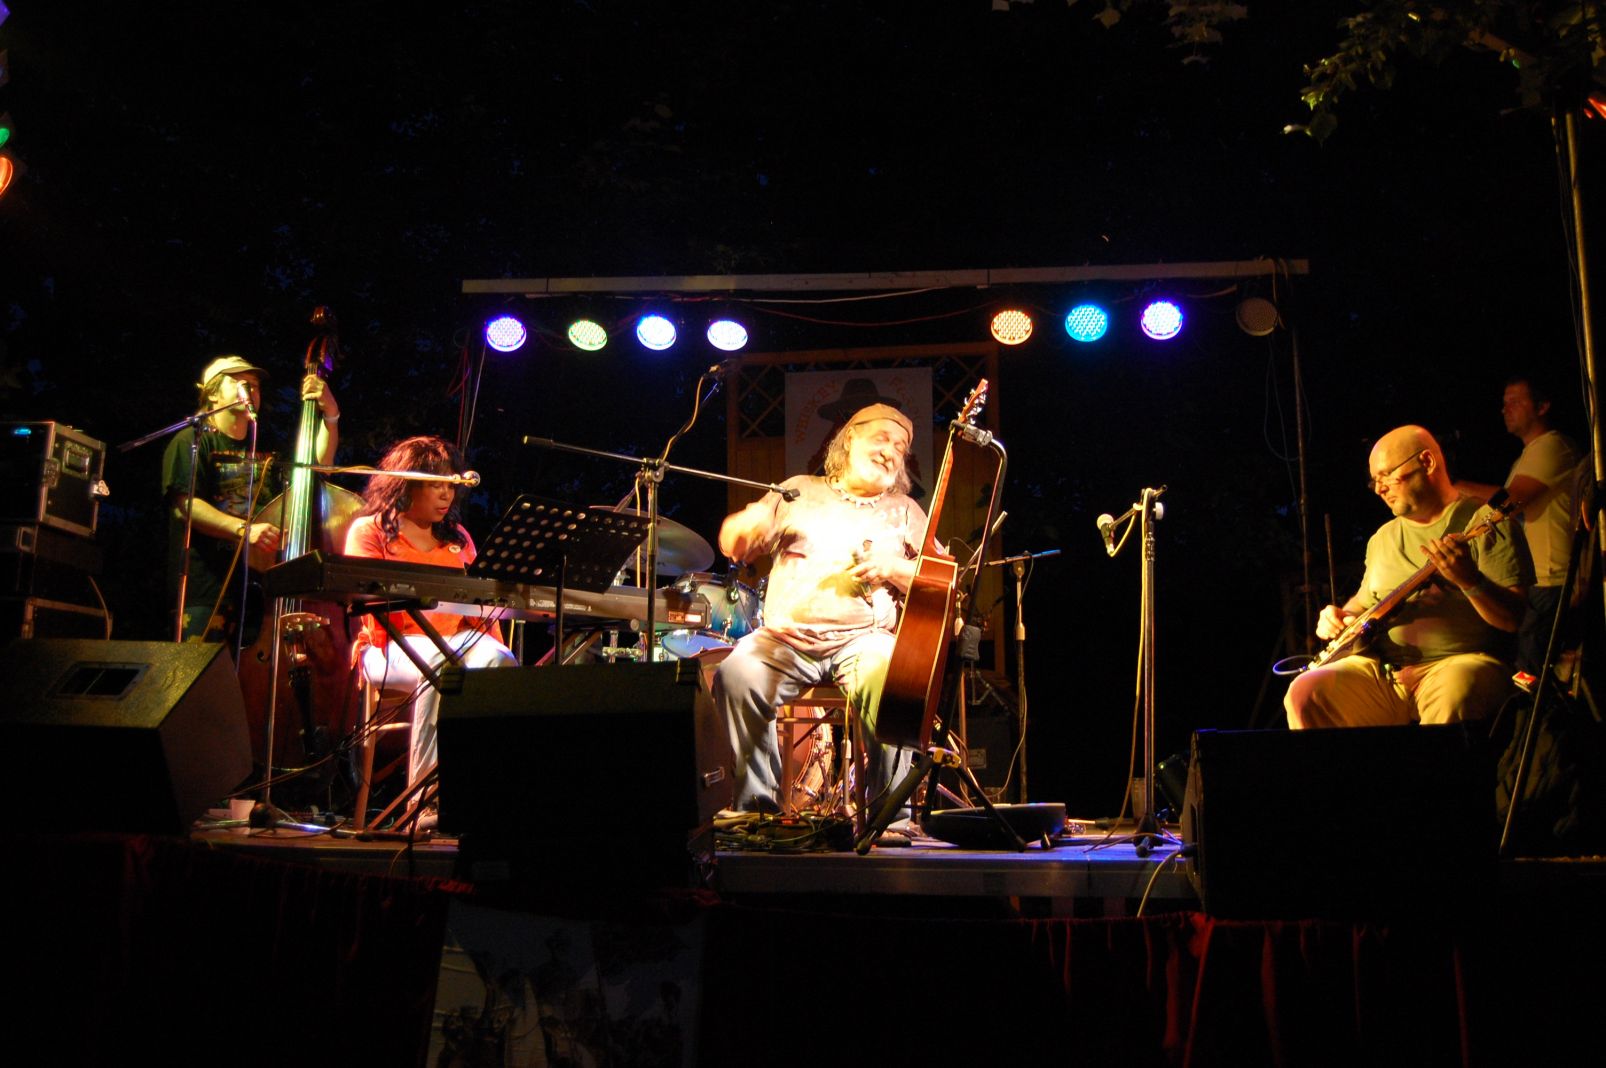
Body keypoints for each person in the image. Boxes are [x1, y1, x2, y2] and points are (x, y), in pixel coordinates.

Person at [713, 402, 928, 818]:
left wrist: (894, 568)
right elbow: (733, 543)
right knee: (737, 673)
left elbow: (941, 578)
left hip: (864, 641)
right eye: (882, 439)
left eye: (900, 447)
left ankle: (888, 816)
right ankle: (757, 810)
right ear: (850, 438)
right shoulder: (798, 490)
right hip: (785, 640)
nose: (890, 452)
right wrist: (744, 528)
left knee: (894, 675)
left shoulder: (905, 509)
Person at [1285, 424, 1532, 729]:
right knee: (1306, 692)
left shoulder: (1486, 523)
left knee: (1457, 690)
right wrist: (1338, 616)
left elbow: (1513, 619)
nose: (1379, 489)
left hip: (1459, 663)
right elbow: (1364, 602)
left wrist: (1471, 582)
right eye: (1374, 481)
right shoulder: (1383, 538)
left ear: (1427, 462)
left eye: (1386, 475)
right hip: (1384, 671)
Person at [343, 435, 518, 793]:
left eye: (451, 485)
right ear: (406, 484)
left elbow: (478, 598)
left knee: (500, 660)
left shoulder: (458, 537)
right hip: (388, 647)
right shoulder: (370, 530)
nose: (446, 495)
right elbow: (360, 593)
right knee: (441, 666)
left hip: (456, 643)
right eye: (436, 484)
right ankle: (424, 797)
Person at [163, 354, 340, 641]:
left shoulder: (267, 445)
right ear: (213, 394)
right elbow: (187, 506)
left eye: (255, 385)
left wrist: (330, 415)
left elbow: (318, 468)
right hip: (208, 591)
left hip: (261, 590)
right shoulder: (192, 441)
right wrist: (245, 530)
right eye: (240, 383)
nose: (251, 390)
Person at [1454, 375, 1586, 676]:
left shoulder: (1553, 446)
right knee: (1532, 667)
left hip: (1553, 579)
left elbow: (1509, 503)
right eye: (1504, 404)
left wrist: (1453, 486)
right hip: (1539, 580)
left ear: (1542, 406)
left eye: (1515, 402)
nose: (1505, 409)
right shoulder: (1528, 455)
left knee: (1534, 672)